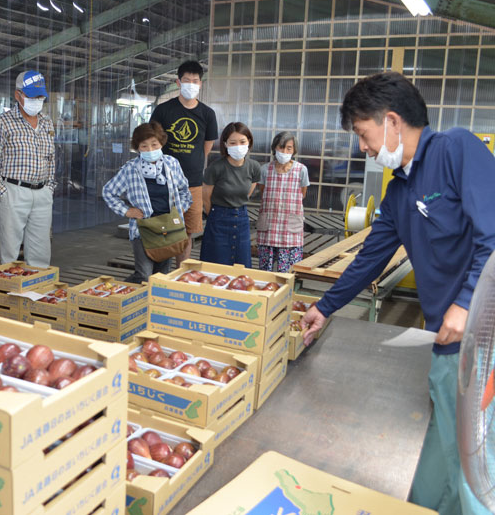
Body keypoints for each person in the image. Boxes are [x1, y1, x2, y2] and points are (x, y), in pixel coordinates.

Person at [301, 71, 495, 515]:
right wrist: (324, 307)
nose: (364, 148)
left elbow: (494, 236)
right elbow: (370, 257)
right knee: (444, 440)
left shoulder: (456, 150)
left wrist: (465, 304)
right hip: (445, 340)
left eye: (364, 135)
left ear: (391, 121)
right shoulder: (399, 191)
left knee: (475, 459)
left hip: (483, 337)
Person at [102, 122, 192, 283]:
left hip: (168, 228)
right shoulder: (131, 169)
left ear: (161, 143)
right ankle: (117, 295)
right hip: (143, 229)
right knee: (143, 274)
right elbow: (108, 192)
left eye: (154, 144)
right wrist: (127, 211)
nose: (150, 150)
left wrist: (179, 210)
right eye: (144, 146)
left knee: (160, 277)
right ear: (137, 148)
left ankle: (149, 306)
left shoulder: (172, 164)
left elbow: (185, 191)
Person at [0, 70, 55, 268]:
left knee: (41, 250)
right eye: (32, 96)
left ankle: (38, 291)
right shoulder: (2, 123)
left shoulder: (47, 122)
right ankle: (8, 292)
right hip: (14, 191)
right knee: (10, 251)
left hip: (42, 193)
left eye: (40, 97)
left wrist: (50, 186)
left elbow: (51, 158)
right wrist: (1, 192)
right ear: (18, 95)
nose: (37, 101)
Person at [149, 60, 218, 266]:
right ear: (178, 82)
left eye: (195, 81)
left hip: (193, 183)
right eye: (186, 80)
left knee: (187, 230)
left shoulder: (207, 114)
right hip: (164, 182)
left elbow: (206, 146)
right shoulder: (163, 110)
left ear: (200, 84)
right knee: (163, 226)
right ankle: (160, 272)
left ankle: (181, 272)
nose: (191, 84)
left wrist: (193, 164)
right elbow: (152, 142)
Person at [200, 122, 261, 267]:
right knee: (215, 264)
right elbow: (206, 198)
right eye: (233, 142)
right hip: (218, 218)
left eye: (242, 142)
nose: (238, 146)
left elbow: (247, 193)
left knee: (241, 266)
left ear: (249, 142)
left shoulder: (254, 167)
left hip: (241, 217)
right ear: (225, 144)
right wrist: (216, 215)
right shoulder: (215, 167)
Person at [255, 131, 309, 272]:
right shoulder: (265, 169)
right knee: (265, 270)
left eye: (288, 148)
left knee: (288, 273)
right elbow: (263, 192)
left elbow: (302, 194)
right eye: (281, 147)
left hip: (289, 229)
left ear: (294, 150)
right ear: (274, 148)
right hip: (269, 227)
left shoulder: (301, 170)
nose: (284, 151)